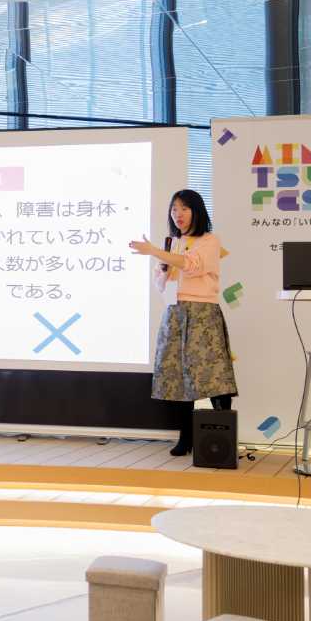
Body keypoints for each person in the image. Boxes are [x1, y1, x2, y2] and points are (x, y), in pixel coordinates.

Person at [129, 189, 238, 456]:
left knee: (213, 374)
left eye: (184, 209)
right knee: (174, 374)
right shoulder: (170, 244)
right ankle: (186, 437)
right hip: (174, 312)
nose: (177, 214)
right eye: (174, 209)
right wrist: (162, 267)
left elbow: (192, 264)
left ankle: (221, 436)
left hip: (203, 313)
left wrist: (156, 252)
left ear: (197, 211)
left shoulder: (209, 240)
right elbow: (159, 283)